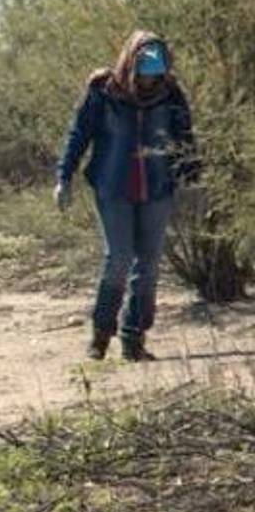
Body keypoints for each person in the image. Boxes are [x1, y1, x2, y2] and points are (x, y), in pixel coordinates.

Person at [55, 31, 197, 362]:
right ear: (130, 60)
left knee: (147, 264)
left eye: (157, 67)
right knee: (118, 258)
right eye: (146, 66)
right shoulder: (103, 91)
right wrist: (64, 176)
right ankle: (101, 335)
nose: (152, 77)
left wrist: (193, 177)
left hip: (157, 187)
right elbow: (79, 135)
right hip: (113, 186)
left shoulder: (171, 94)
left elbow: (184, 138)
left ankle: (134, 339)